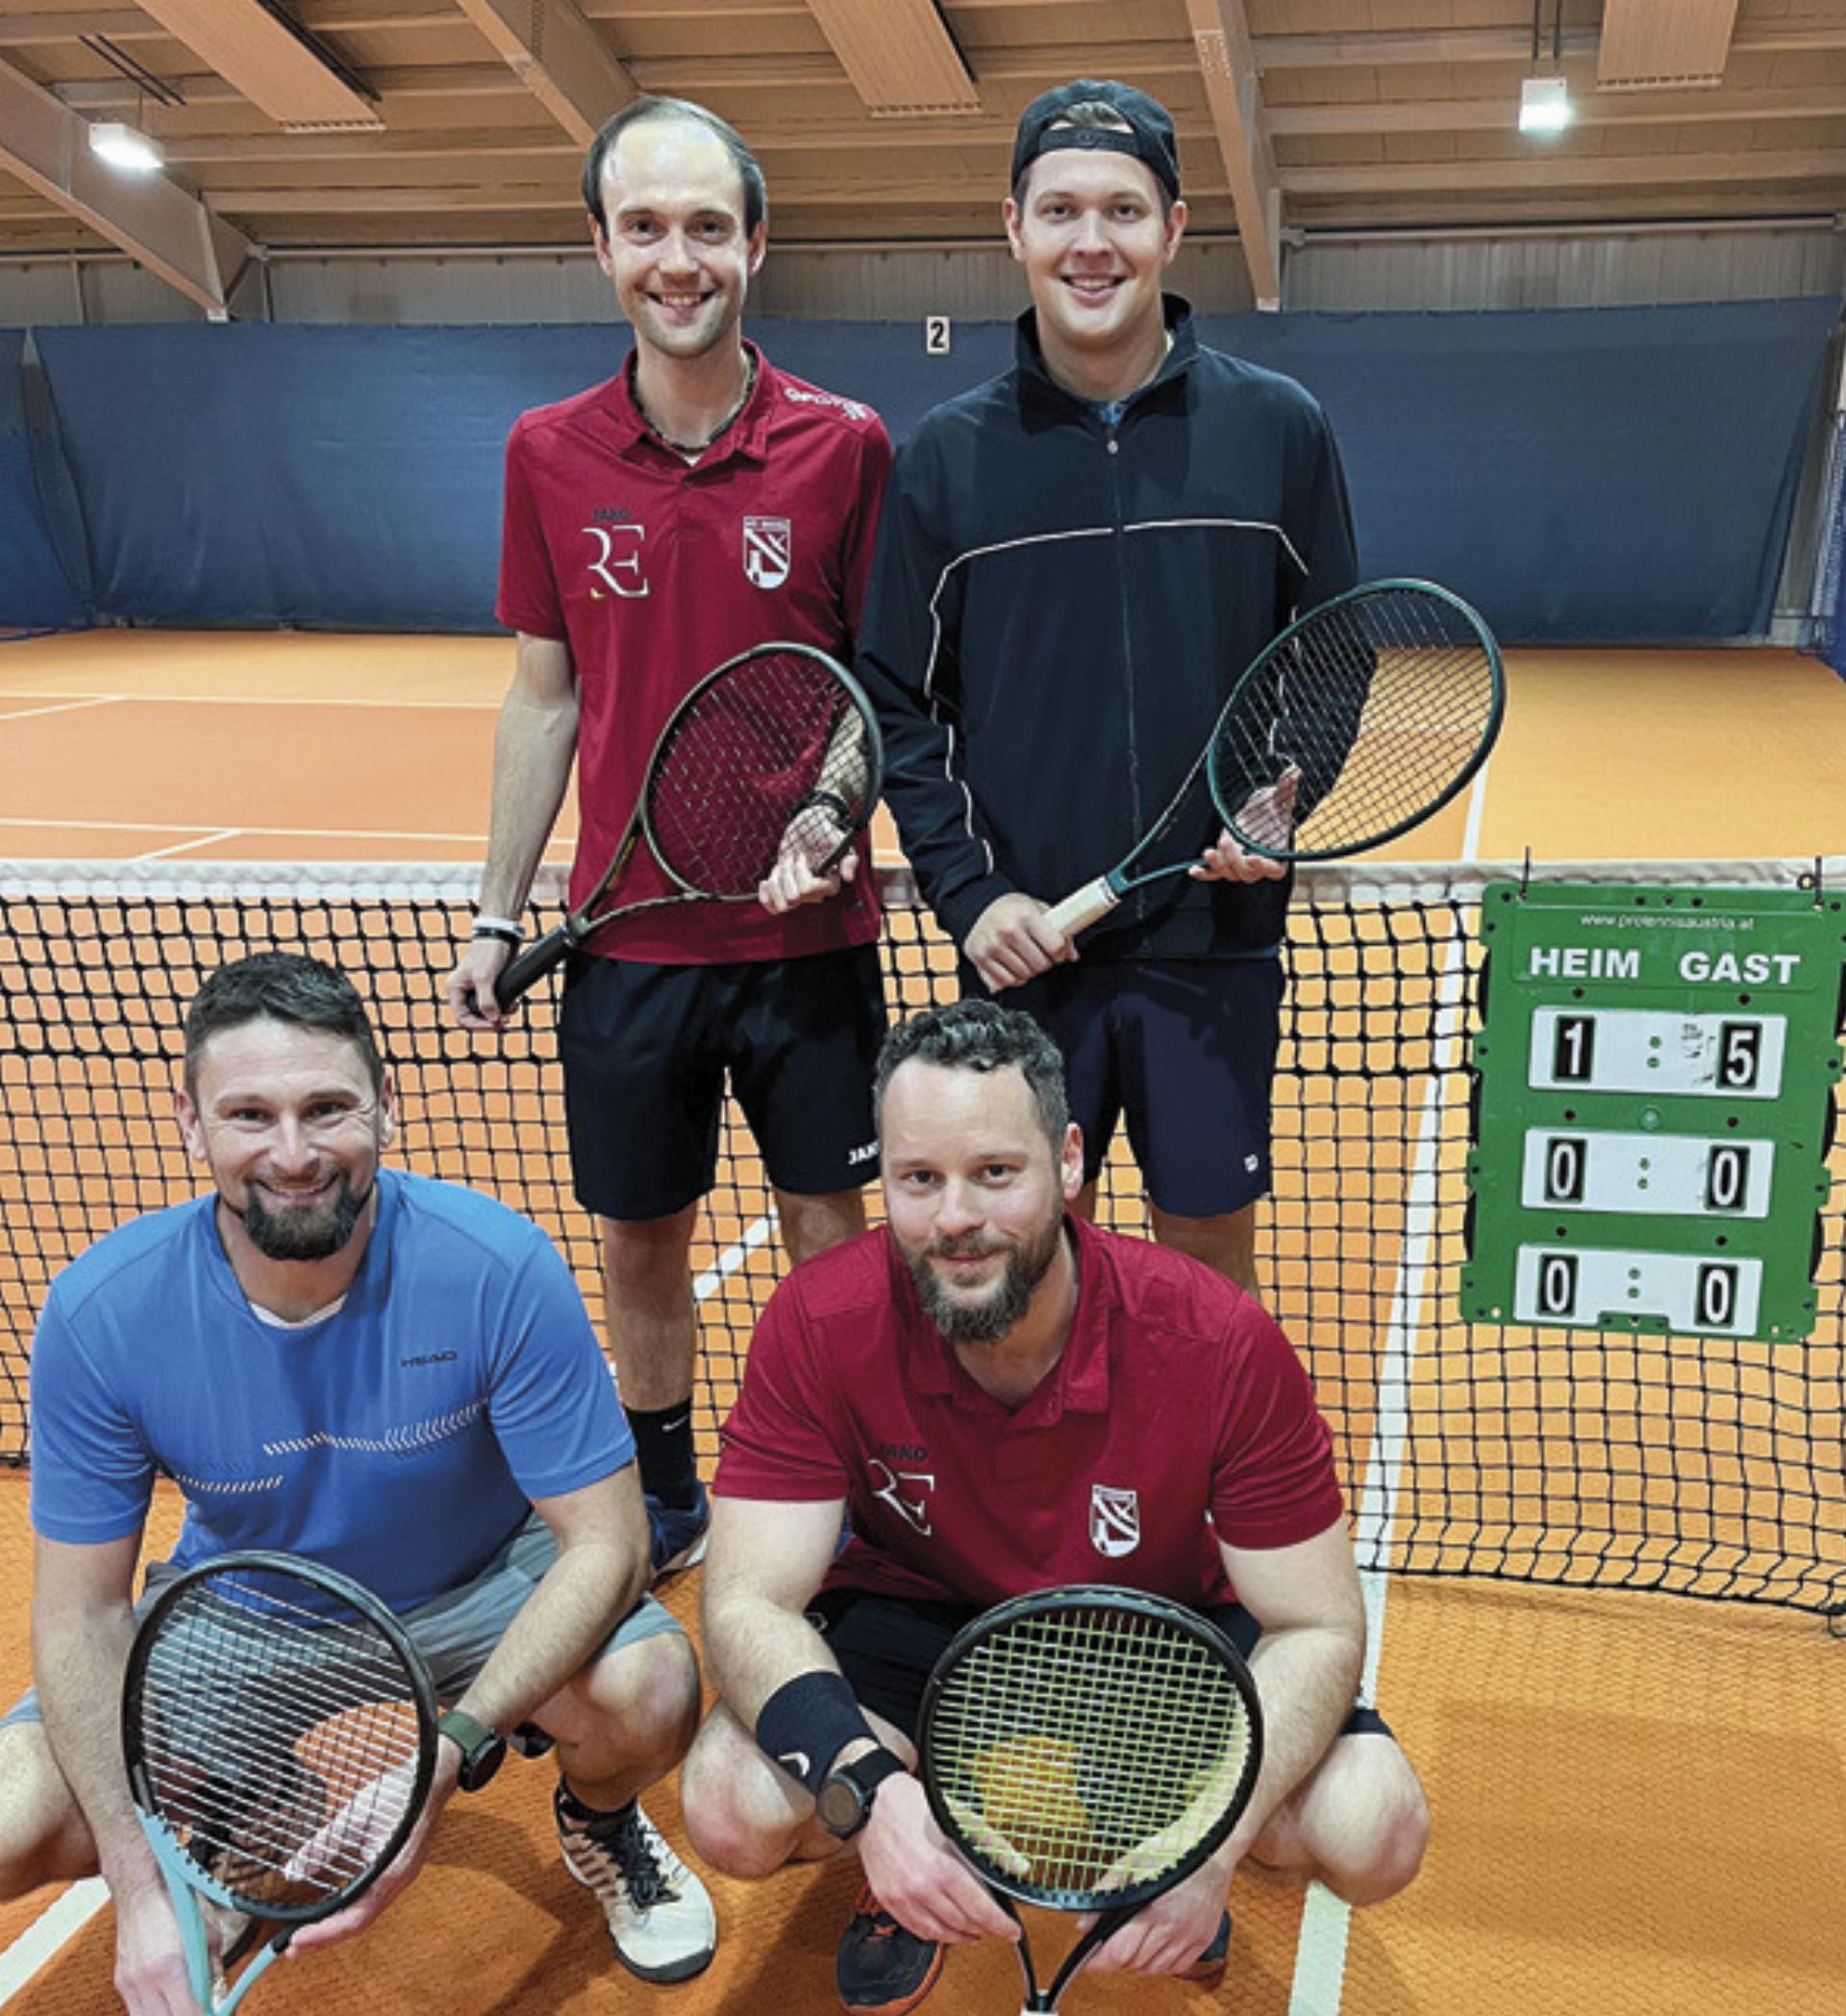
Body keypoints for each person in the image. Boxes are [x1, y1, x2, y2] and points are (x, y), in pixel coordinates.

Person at [678, 1000, 1427, 2016]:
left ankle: (1166, 1839)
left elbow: (1319, 1623)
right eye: (919, 1180)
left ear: (1068, 1161)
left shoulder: (1216, 1341)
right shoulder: (820, 1321)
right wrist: (868, 1795)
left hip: (1156, 1626)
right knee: (727, 1806)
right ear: (885, 1180)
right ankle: (917, 1858)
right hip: (921, 1610)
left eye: (995, 1173)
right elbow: (744, 1605)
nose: (955, 1220)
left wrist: (1217, 1840)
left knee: (1373, 1825)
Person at [0, 953, 716, 2011]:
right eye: (249, 1115)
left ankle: (600, 1823)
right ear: (192, 1126)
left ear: (387, 1104)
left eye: (326, 1108)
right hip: (244, 1609)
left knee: (650, 1695)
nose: (292, 1154)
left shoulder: (495, 1267)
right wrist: (141, 1883)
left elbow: (609, 1542)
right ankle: (256, 1805)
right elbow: (81, 1614)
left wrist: (453, 1750)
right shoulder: (103, 1312)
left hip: (481, 1581)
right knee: (14, 1819)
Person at [444, 95, 894, 1576]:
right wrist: (498, 911)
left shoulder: (844, 447)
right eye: (646, 227)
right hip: (627, 938)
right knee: (641, 1236)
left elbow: (876, 689)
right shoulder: (546, 452)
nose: (677, 258)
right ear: (601, 248)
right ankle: (666, 1490)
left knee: (834, 1226)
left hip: (807, 939)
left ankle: (842, 1488)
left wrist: (831, 815)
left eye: (707, 226)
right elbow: (541, 693)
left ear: (755, 244)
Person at [856, 79, 1360, 1299]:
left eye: (1124, 210)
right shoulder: (946, 460)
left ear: (1175, 230)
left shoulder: (1278, 430)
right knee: (1023, 1254)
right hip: (1031, 952)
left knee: (1205, 1254)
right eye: (1063, 210)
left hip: (1215, 943)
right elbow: (896, 698)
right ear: (1016, 230)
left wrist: (1282, 799)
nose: (1094, 242)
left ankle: (1195, 1481)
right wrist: (972, 894)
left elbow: (1333, 647)